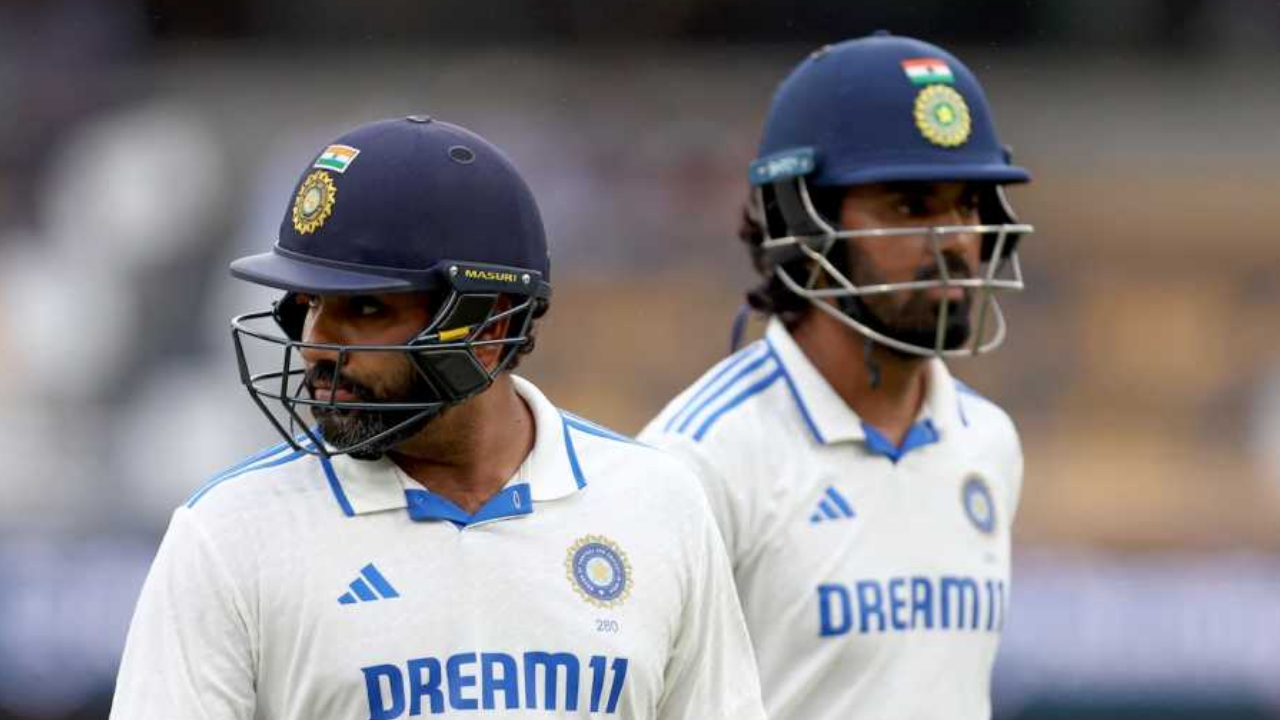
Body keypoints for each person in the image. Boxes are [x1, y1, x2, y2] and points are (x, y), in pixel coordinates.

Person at [111, 116, 765, 720]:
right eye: (306, 304)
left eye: (363, 309)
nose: (314, 343)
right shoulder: (229, 536)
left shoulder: (657, 505)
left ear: (490, 322)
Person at [639, 33, 1034, 720]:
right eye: (911, 208)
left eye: (968, 204)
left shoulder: (987, 442)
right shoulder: (697, 460)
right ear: (802, 220)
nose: (958, 241)